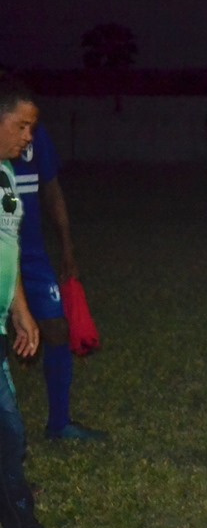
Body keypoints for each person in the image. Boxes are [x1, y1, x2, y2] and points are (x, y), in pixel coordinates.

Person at [0, 74, 90, 528]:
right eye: (22, 126)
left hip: (8, 310)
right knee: (6, 436)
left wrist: (19, 309)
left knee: (8, 435)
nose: (29, 137)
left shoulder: (6, 176)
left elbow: (5, 247)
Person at [13, 121, 105, 441]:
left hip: (32, 255)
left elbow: (52, 191)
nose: (26, 134)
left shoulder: (33, 133)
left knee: (57, 328)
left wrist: (67, 247)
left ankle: (59, 423)